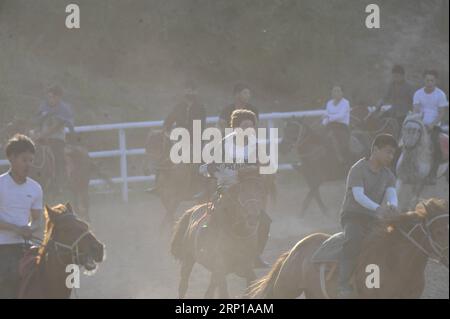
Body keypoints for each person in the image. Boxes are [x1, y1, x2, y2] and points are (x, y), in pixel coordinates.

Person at [200, 109, 271, 268]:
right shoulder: (225, 143)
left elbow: (264, 167)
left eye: (251, 126)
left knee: (265, 221)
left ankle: (256, 254)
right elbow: (210, 167)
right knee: (216, 212)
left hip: (248, 190)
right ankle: (208, 245)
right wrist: (218, 169)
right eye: (244, 126)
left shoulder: (257, 145)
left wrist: (255, 171)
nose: (248, 130)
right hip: (226, 187)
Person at [337, 134, 399, 298]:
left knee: (386, 243)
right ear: (375, 150)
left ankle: (377, 281)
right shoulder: (357, 169)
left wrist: (393, 207)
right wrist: (379, 208)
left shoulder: (389, 175)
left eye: (393, 153)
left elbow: (392, 195)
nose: (391, 157)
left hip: (373, 218)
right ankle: (343, 283)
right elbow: (358, 196)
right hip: (353, 215)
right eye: (388, 152)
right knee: (353, 239)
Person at [0, 134, 43, 299]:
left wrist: (31, 229)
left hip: (24, 247)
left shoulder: (35, 188)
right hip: (3, 246)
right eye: (24, 160)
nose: (28, 165)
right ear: (11, 158)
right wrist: (17, 229)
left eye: (31, 161)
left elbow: (37, 219)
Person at [149, 80, 206, 194]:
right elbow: (168, 122)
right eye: (187, 89)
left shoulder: (200, 108)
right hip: (179, 141)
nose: (190, 92)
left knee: (198, 162)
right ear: (184, 91)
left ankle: (200, 188)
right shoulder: (179, 107)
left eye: (192, 90)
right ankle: (158, 185)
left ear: (196, 92)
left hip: (195, 141)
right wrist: (167, 134)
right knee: (164, 157)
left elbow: (200, 126)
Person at [35, 85, 74, 192]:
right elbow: (38, 119)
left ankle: (59, 182)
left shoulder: (64, 109)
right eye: (49, 97)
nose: (50, 99)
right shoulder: (44, 105)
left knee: (58, 156)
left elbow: (58, 125)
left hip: (57, 138)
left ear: (58, 97)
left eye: (52, 97)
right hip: (42, 136)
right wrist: (37, 132)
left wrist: (44, 134)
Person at [413, 70, 449, 184]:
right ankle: (400, 168)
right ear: (424, 80)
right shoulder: (418, 93)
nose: (429, 82)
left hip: (434, 126)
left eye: (432, 80)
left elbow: (442, 113)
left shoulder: (440, 94)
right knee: (406, 141)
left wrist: (432, 124)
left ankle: (432, 174)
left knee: (436, 145)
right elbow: (416, 109)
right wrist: (419, 122)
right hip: (419, 125)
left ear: (435, 81)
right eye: (427, 80)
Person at [321, 85, 351, 165]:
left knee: (332, 135)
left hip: (342, 126)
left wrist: (328, 117)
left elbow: (340, 116)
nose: (336, 93)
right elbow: (325, 115)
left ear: (342, 93)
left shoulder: (345, 103)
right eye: (334, 91)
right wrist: (323, 123)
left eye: (338, 91)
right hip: (330, 126)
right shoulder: (329, 103)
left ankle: (340, 157)